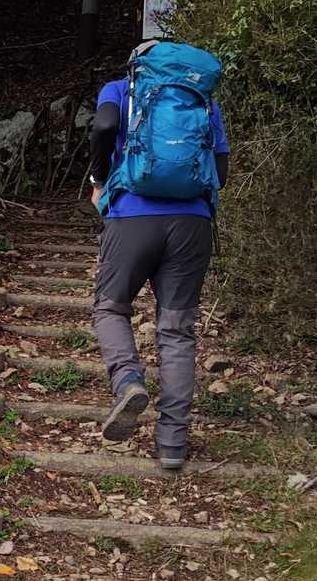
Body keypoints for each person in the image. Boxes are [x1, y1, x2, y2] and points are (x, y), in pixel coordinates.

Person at [88, 40, 229, 469]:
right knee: (177, 330)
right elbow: (221, 169)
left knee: (110, 307)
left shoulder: (120, 89)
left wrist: (99, 181)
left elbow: (104, 126)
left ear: (136, 65)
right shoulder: (202, 99)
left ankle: (129, 380)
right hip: (192, 223)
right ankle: (172, 442)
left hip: (132, 215)